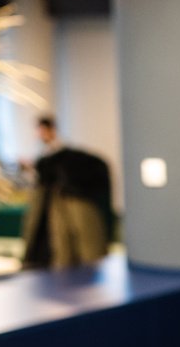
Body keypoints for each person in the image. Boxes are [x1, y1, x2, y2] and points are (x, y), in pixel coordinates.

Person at [21, 115, 113, 268]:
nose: (39, 134)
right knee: (62, 244)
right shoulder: (46, 153)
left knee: (79, 244)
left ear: (51, 130)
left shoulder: (63, 153)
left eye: (42, 131)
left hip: (66, 200)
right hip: (55, 202)